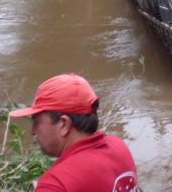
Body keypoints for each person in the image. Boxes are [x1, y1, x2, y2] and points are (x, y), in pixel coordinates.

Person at [9, 74, 138, 192]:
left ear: (64, 124)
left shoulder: (57, 184)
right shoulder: (118, 146)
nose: (32, 132)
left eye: (36, 122)